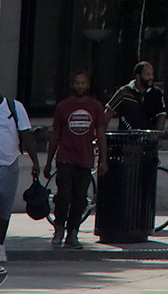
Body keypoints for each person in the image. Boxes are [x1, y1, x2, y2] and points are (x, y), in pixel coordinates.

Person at [0, 77, 39, 265]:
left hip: (10, 165)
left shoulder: (14, 107)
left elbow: (26, 135)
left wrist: (35, 161)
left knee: (5, 208)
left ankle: (0, 246)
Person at [49, 71, 108, 248]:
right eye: (77, 82)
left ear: (88, 85)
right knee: (63, 195)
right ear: (73, 84)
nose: (80, 86)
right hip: (65, 158)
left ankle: (73, 233)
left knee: (80, 198)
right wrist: (48, 160)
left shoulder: (95, 107)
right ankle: (59, 227)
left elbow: (101, 134)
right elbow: (56, 134)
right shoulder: (63, 106)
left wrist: (103, 160)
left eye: (83, 83)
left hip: (85, 160)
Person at [108, 61, 165, 130]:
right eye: (148, 74)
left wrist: (156, 135)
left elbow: (161, 114)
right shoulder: (124, 92)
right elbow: (109, 111)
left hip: (148, 137)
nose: (151, 77)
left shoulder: (157, 93)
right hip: (127, 137)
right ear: (138, 76)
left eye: (152, 74)